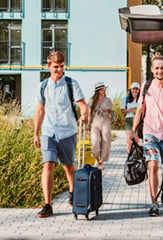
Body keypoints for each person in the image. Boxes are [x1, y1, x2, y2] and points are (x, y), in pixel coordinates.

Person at [34, 51, 88, 218]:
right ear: (48, 66)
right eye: (56, 67)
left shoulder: (71, 84)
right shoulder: (42, 86)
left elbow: (83, 105)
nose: (59, 70)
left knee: (68, 166)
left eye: (62, 67)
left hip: (67, 132)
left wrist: (85, 115)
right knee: (48, 164)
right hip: (49, 132)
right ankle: (48, 204)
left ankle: (72, 193)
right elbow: (40, 110)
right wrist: (36, 133)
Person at [129, 53, 163, 217]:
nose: (160, 71)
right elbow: (139, 110)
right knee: (152, 164)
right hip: (150, 134)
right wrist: (133, 131)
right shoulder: (146, 87)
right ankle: (154, 203)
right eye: (157, 68)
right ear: (152, 70)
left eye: (162, 68)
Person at [87, 82, 113, 170]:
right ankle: (96, 159)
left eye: (104, 89)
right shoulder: (91, 100)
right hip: (96, 121)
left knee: (105, 142)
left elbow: (111, 113)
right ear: (97, 91)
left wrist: (112, 119)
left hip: (105, 121)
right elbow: (90, 114)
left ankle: (101, 162)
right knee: (94, 141)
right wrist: (88, 125)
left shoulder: (108, 100)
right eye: (102, 89)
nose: (104, 90)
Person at [121, 82, 140, 153]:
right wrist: (130, 110)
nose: (135, 91)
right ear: (131, 90)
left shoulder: (141, 99)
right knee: (129, 140)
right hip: (129, 120)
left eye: (136, 89)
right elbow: (122, 111)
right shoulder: (126, 99)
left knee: (137, 140)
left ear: (139, 90)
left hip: (138, 120)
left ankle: (136, 155)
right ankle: (129, 155)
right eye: (133, 89)